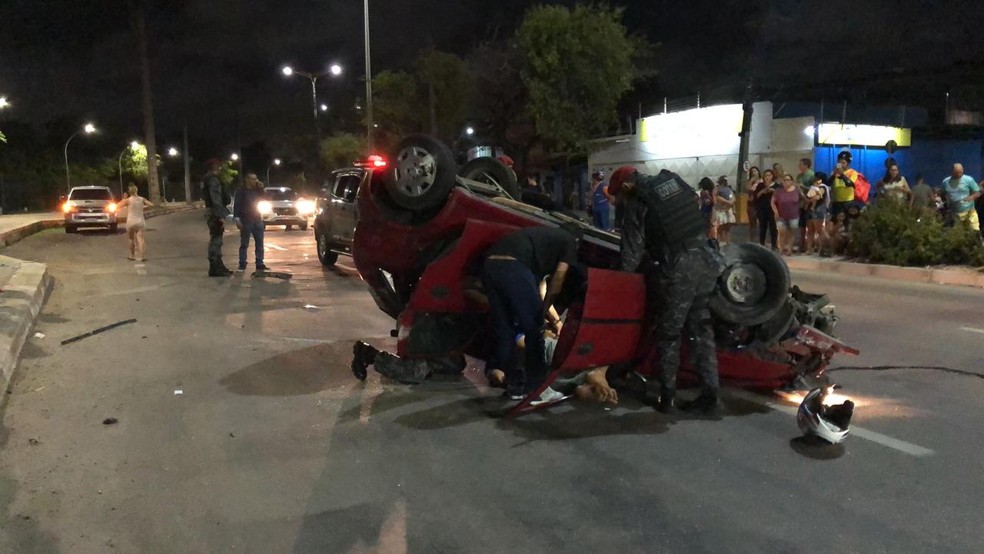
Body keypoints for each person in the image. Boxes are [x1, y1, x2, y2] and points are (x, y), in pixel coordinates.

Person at [608, 166, 722, 414]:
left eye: (619, 197)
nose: (620, 203)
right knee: (701, 328)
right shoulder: (672, 181)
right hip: (708, 259)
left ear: (626, 187)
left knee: (669, 333)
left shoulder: (639, 202)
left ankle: (667, 396)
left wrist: (616, 280)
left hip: (680, 267)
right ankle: (710, 394)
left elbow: (631, 256)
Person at [482, 225, 580, 402]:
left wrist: (543, 310)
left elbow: (537, 285)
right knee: (535, 329)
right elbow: (558, 278)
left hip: (490, 265)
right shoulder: (569, 241)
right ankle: (537, 389)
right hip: (513, 266)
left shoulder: (542, 239)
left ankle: (515, 385)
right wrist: (542, 313)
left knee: (505, 329)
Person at [201, 159, 235, 276]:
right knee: (216, 240)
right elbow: (216, 198)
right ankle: (216, 267)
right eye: (218, 165)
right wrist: (220, 214)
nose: (220, 167)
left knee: (216, 239)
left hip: (212, 212)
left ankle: (217, 266)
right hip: (214, 213)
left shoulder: (207, 178)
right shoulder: (212, 179)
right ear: (214, 166)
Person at [234, 173, 269, 271]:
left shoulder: (257, 190)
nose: (254, 181)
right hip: (246, 220)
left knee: (260, 243)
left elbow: (265, 198)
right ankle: (242, 263)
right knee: (244, 243)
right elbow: (237, 204)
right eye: (252, 179)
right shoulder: (241, 191)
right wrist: (237, 219)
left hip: (257, 219)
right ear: (247, 179)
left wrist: (261, 188)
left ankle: (259, 263)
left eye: (255, 179)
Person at [940, 163, 981, 232]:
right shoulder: (946, 182)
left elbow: (978, 192)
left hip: (969, 211)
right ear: (952, 172)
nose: (959, 174)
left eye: (961, 172)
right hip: (955, 213)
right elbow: (942, 194)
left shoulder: (968, 179)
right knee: (958, 232)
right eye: (957, 172)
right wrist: (946, 204)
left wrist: (972, 197)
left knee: (974, 231)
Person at [772, 174, 806, 256]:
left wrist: (800, 206)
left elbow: (804, 199)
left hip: (793, 215)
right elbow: (772, 202)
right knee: (781, 232)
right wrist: (775, 211)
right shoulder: (778, 191)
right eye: (784, 180)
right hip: (781, 215)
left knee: (791, 232)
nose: (786, 182)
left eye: (788, 180)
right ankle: (781, 249)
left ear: (792, 181)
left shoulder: (796, 191)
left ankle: (789, 249)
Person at [119, 184, 154, 261]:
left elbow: (118, 206)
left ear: (129, 192)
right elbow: (151, 204)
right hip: (140, 221)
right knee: (140, 239)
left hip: (131, 222)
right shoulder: (142, 199)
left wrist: (124, 198)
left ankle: (132, 256)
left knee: (131, 238)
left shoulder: (128, 200)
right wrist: (144, 207)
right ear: (136, 191)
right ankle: (142, 256)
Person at [803, 172, 830, 256]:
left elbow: (818, 197)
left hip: (818, 210)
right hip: (810, 210)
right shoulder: (814, 186)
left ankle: (821, 249)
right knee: (810, 231)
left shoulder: (823, 187)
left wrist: (810, 199)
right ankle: (809, 249)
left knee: (819, 230)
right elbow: (808, 197)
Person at [752, 169, 779, 249]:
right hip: (762, 209)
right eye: (766, 175)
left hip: (772, 209)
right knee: (762, 227)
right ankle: (762, 244)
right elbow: (756, 196)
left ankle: (774, 245)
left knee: (773, 227)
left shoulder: (777, 185)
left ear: (772, 176)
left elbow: (780, 196)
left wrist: (773, 191)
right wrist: (763, 191)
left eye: (769, 175)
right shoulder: (760, 185)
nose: (767, 177)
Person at [830, 151, 859, 221]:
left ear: (848, 163)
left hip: (848, 202)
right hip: (837, 201)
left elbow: (850, 184)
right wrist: (833, 175)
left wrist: (842, 175)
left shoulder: (853, 172)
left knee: (848, 221)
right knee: (836, 221)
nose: (841, 165)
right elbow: (829, 184)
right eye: (839, 162)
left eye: (843, 162)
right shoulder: (834, 172)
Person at [796, 159, 816, 250]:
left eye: (801, 164)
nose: (799, 166)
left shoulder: (812, 175)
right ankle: (801, 244)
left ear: (806, 165)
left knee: (810, 225)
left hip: (809, 202)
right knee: (801, 225)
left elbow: (814, 189)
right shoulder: (799, 176)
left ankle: (810, 246)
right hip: (801, 203)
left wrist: (803, 187)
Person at [712, 176, 737, 245]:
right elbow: (717, 198)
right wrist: (729, 203)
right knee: (722, 229)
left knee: (725, 229)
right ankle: (723, 243)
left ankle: (726, 243)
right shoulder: (718, 189)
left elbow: (733, 198)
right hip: (722, 210)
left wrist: (730, 203)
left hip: (725, 210)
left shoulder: (728, 189)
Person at [745, 166, 762, 232]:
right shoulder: (750, 182)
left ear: (758, 172)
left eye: (755, 171)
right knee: (752, 222)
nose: (754, 173)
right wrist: (751, 181)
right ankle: (752, 236)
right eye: (752, 172)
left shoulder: (762, 181)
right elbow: (747, 190)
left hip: (760, 202)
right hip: (751, 203)